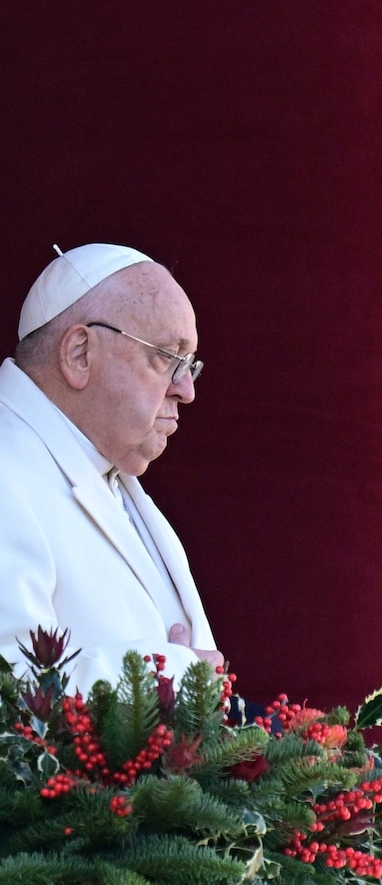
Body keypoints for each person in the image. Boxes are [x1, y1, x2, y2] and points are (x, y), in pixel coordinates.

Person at [0, 243, 224, 694]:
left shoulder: (112, 475)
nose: (186, 390)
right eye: (166, 356)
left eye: (189, 366)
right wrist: (169, 677)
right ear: (80, 353)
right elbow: (12, 693)